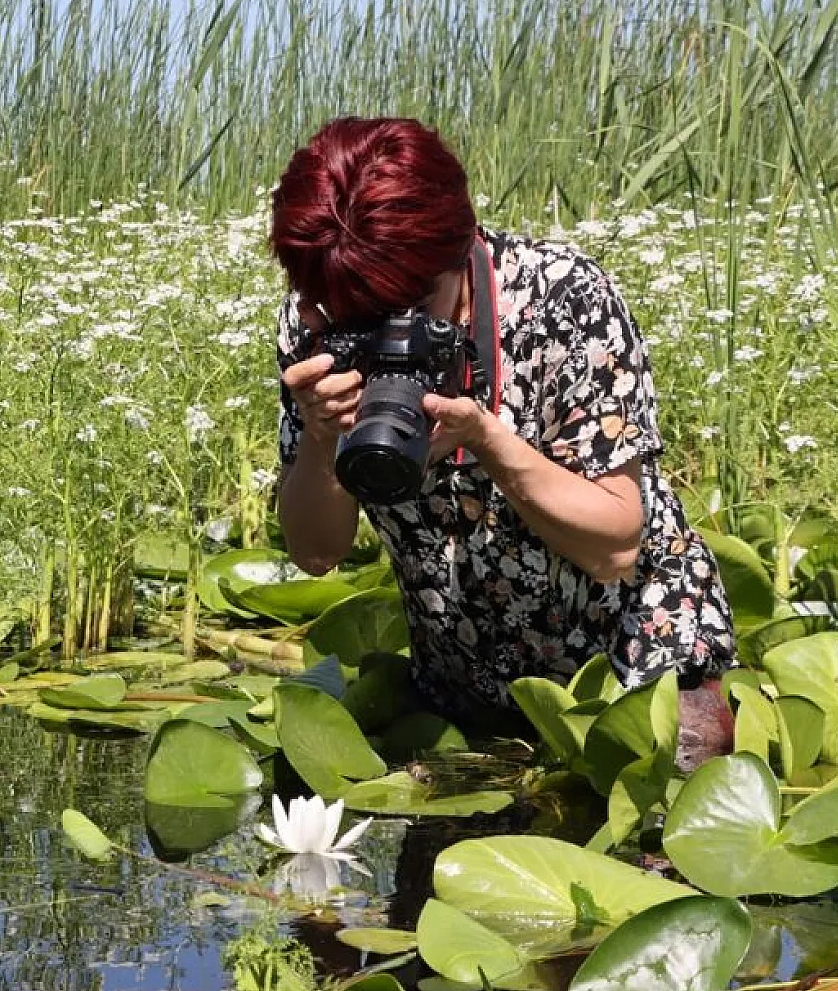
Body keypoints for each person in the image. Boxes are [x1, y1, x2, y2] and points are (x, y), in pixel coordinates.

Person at [270, 116, 735, 760]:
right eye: (357, 312)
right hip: (466, 699)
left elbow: (617, 543)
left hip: (638, 687)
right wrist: (322, 440)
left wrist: (489, 440)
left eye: (401, 308)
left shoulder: (561, 300)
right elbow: (316, 553)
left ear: (456, 252)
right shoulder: (321, 323)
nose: (380, 332)